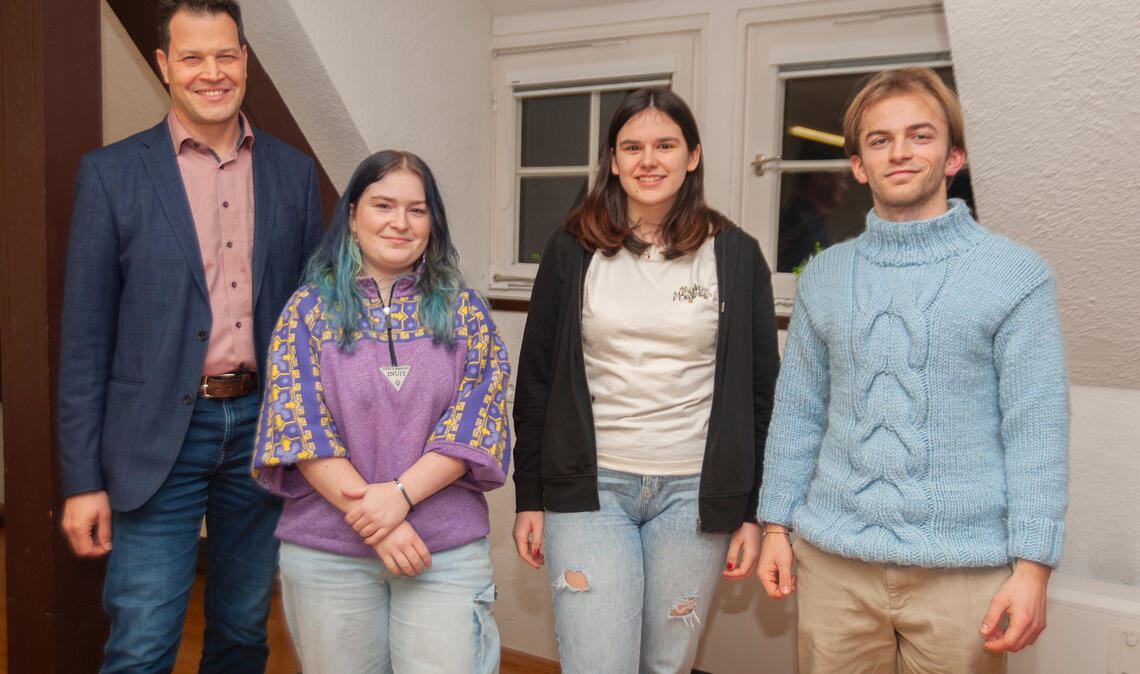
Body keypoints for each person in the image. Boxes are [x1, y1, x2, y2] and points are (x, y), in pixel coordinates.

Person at [756, 67, 1068, 673]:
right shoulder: (822, 275)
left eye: (920, 136)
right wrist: (774, 526)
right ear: (857, 165)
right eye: (879, 140)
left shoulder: (1015, 277)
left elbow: (1036, 434)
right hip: (833, 566)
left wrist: (1033, 569)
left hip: (965, 573)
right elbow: (797, 416)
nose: (899, 152)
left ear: (954, 156)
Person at [56, 1, 323, 670]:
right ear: (164, 65)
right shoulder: (111, 174)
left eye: (225, 55)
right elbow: (85, 343)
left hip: (262, 435)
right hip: (154, 439)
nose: (212, 72)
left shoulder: (292, 173)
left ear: (245, 61)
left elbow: (311, 324)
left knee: (241, 631)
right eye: (193, 57)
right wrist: (82, 481)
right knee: (143, 642)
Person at [512, 87, 780, 674]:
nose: (648, 160)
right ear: (612, 159)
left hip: (694, 497)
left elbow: (763, 397)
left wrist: (751, 510)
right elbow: (534, 382)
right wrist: (527, 495)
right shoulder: (571, 249)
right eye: (632, 147)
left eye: (665, 145)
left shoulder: (735, 255)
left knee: (667, 665)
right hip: (588, 489)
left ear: (693, 156)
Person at [252, 149, 510, 674]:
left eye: (417, 210)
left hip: (444, 554)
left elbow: (475, 422)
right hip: (327, 555)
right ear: (352, 214)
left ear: (432, 222)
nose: (400, 222)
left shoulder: (467, 312)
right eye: (383, 205)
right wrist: (382, 523)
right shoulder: (306, 312)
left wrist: (400, 496)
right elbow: (299, 426)